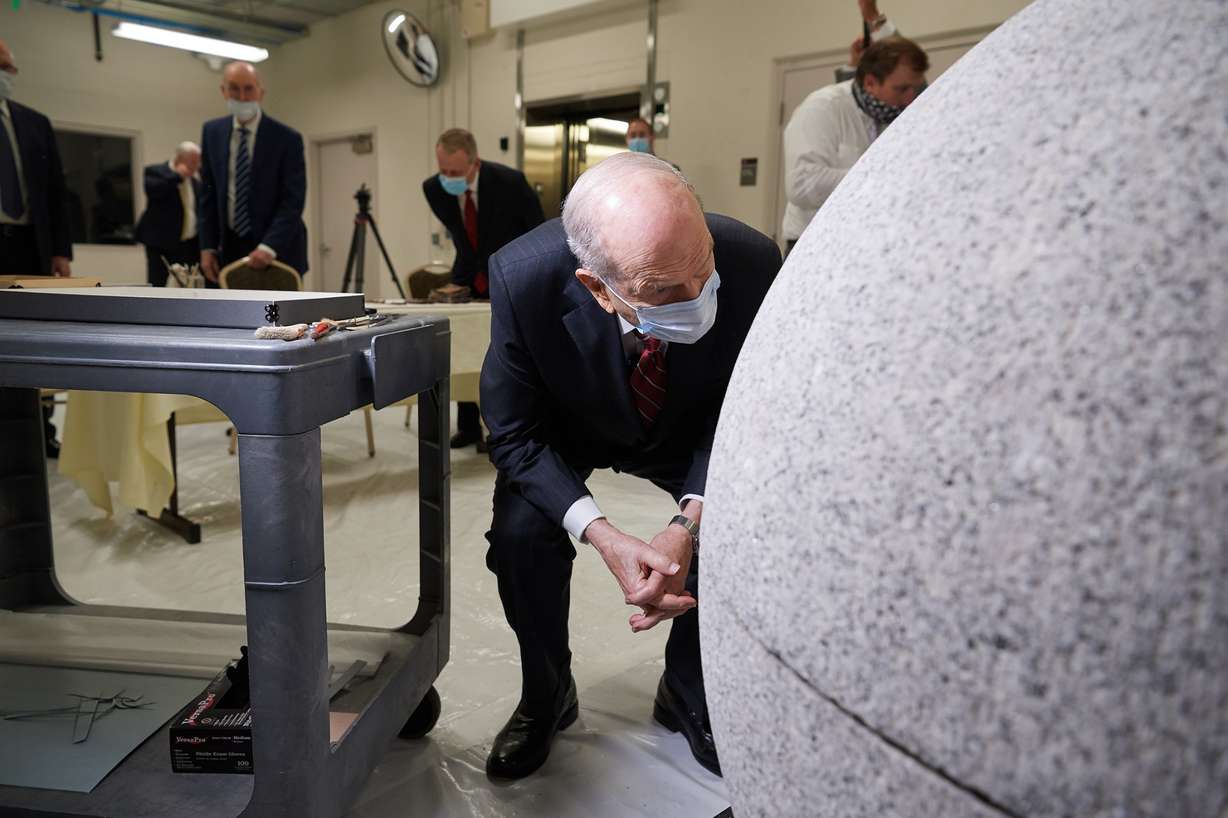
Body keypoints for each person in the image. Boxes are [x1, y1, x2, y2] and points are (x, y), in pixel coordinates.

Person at [479, 152, 780, 780]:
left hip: (688, 426)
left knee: (749, 522)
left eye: (703, 271)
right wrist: (602, 532)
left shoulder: (751, 260)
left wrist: (689, 522)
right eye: (662, 289)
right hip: (574, 427)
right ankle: (547, 692)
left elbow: (749, 414)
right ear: (595, 285)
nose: (696, 298)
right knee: (519, 534)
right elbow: (514, 436)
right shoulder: (522, 278)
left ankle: (688, 690)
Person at [422, 127, 544, 451]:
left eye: (456, 172)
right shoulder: (434, 189)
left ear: (474, 164)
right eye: (443, 170)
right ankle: (468, 427)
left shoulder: (509, 182)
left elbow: (537, 231)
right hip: (467, 277)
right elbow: (461, 234)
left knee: (501, 355)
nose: (448, 178)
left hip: (508, 275)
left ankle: (501, 430)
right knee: (463, 345)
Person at [781, 1, 928, 254]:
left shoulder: (894, 113)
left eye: (912, 88)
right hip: (815, 248)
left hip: (870, 243)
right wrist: (879, 175)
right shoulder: (822, 108)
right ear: (870, 82)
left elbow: (923, 85)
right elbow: (801, 184)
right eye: (902, 89)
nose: (911, 99)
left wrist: (876, 20)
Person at [199, 61, 307, 285]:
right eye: (234, 89)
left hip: (278, 251)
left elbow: (293, 200)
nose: (242, 96)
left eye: (248, 88)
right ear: (224, 91)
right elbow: (207, 195)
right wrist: (207, 246)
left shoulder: (287, 139)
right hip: (229, 249)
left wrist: (269, 246)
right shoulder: (212, 132)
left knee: (281, 320)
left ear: (260, 91)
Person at [0, 39, 72, 278]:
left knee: (28, 314)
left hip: (30, 244)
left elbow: (56, 191)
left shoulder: (36, 123)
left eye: (8, 67)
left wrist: (61, 251)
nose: (4, 74)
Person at [135, 142, 202, 286]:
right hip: (160, 244)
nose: (196, 166)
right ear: (180, 159)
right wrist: (177, 176)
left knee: (187, 285)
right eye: (193, 162)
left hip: (187, 245)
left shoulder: (195, 182)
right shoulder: (156, 171)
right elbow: (153, 191)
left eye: (198, 162)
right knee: (157, 284)